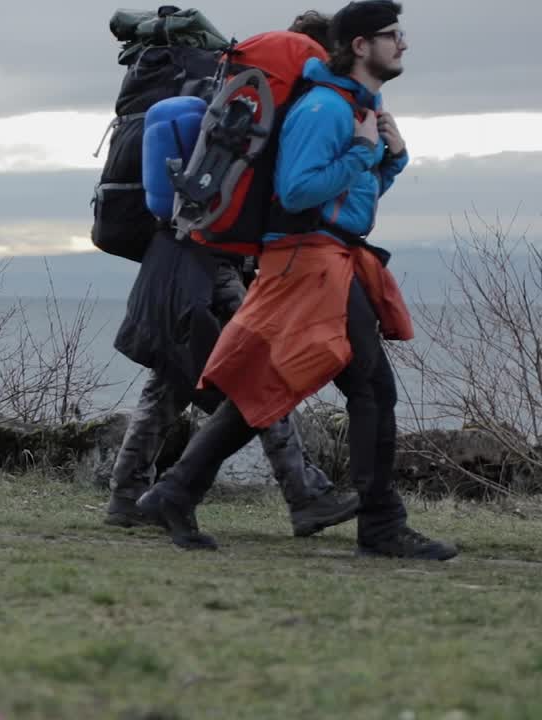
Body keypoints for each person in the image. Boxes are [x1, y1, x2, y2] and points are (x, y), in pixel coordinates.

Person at [136, 1, 458, 561]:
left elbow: (348, 203)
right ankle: (381, 525)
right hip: (308, 261)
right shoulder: (324, 110)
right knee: (371, 389)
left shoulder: (355, 107)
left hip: (329, 256)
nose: (402, 44)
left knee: (267, 385)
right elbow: (298, 192)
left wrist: (390, 162)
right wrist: (362, 151)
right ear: (359, 45)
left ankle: (174, 490)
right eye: (392, 35)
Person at [103, 10, 359, 539]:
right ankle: (304, 493)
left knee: (174, 373)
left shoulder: (241, 84)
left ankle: (128, 492)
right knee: (255, 370)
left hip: (180, 243)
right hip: (216, 254)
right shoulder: (295, 87)